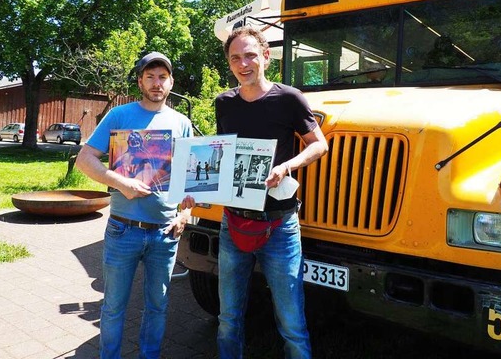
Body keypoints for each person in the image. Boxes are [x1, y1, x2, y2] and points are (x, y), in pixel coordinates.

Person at [184, 26, 328, 358]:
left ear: (265, 56)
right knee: (228, 318)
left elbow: (319, 145)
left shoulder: (289, 98)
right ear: (229, 64)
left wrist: (288, 166)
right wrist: (195, 189)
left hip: (279, 226)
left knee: (291, 321)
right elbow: (221, 155)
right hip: (232, 223)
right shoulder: (224, 102)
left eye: (250, 55)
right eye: (235, 58)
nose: (243, 63)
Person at [76, 52, 193, 359]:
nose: (157, 83)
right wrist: (121, 183)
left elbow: (191, 179)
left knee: (158, 306)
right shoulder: (119, 116)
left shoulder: (182, 123)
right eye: (151, 76)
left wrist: (185, 214)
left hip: (165, 233)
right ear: (140, 80)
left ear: (171, 82)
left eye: (163, 77)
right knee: (114, 306)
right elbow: (84, 159)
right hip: (122, 229)